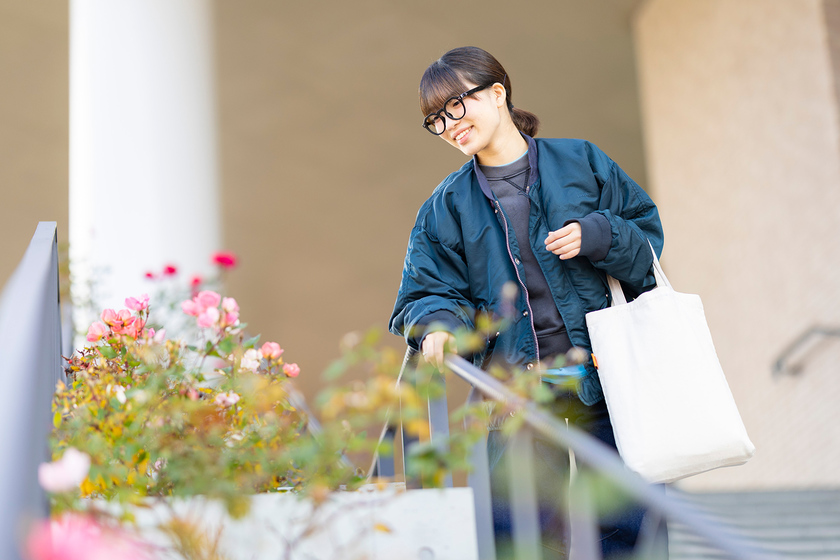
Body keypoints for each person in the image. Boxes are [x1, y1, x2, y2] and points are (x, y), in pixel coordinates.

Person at [388, 46, 664, 559]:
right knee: (524, 540)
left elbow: (646, 242)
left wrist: (599, 234)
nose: (449, 125)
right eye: (435, 119)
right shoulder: (445, 206)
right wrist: (438, 324)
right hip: (517, 396)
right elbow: (426, 290)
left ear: (497, 93)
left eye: (456, 105)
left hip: (608, 385)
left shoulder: (582, 161)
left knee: (628, 533)